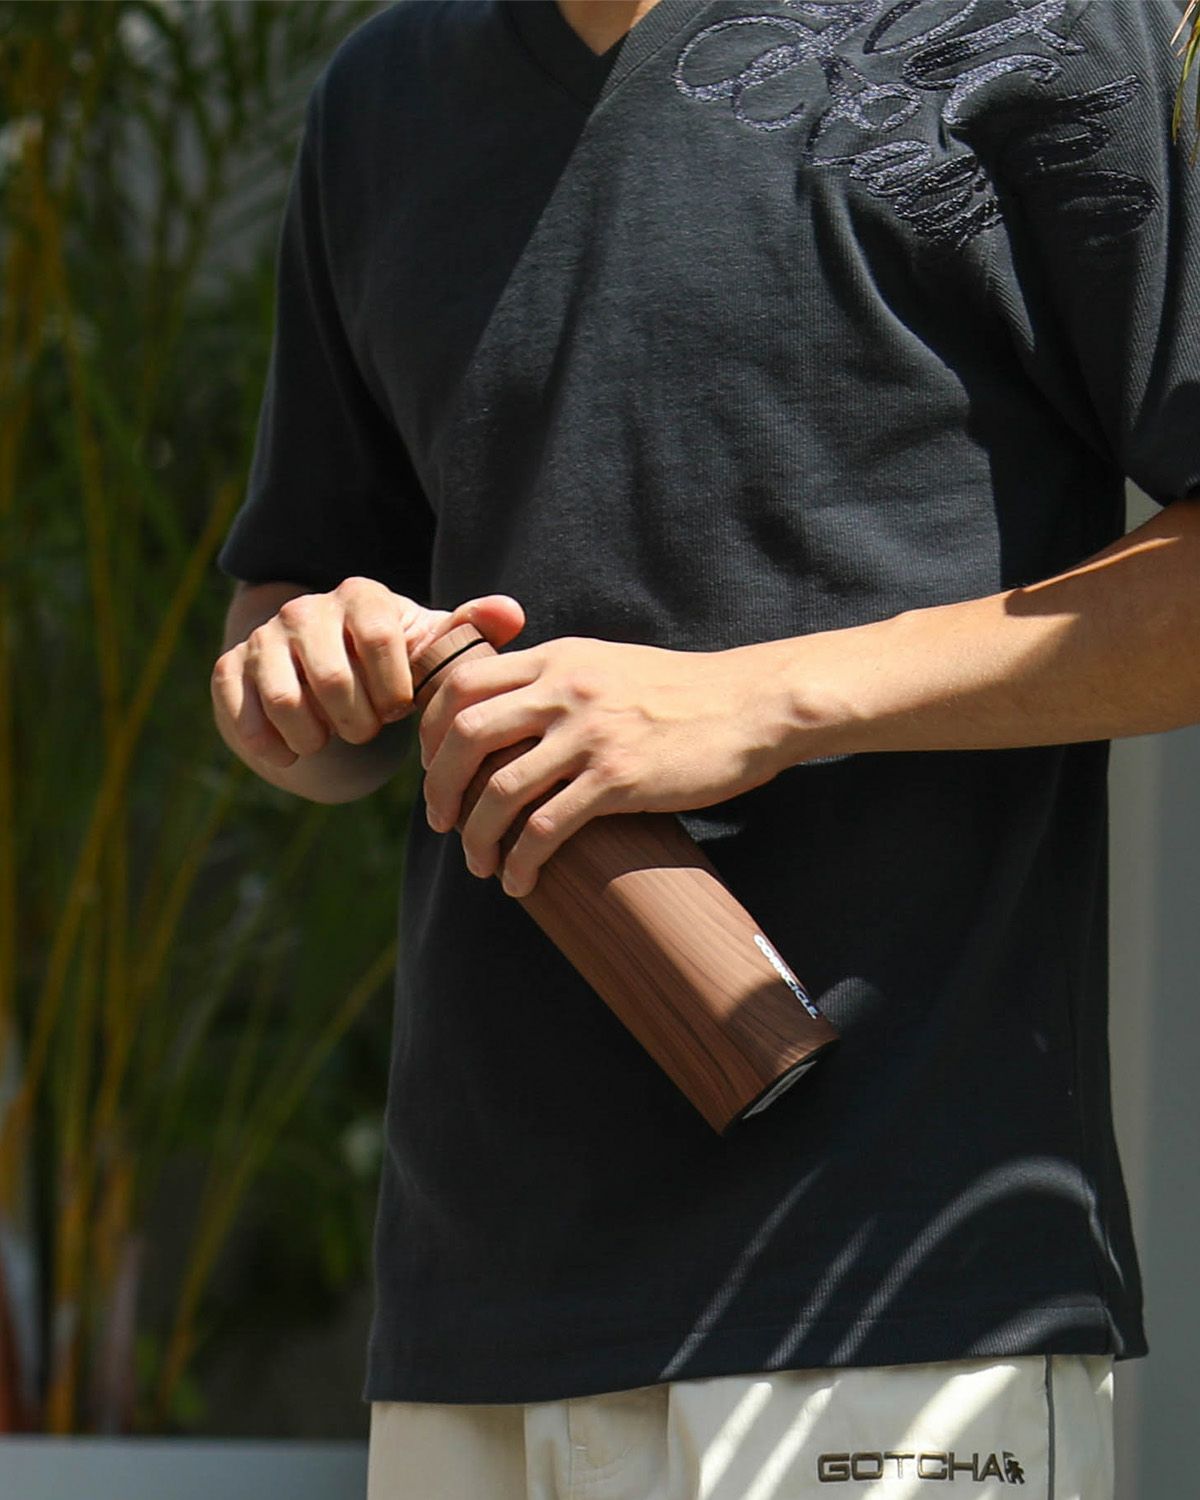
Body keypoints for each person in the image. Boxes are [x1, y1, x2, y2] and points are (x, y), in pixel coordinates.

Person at [209, 0, 1199, 1494]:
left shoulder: (1037, 27)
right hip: (473, 1324)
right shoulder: (384, 96)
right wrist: (297, 674)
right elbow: (290, 625)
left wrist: (763, 700)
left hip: (894, 1290)